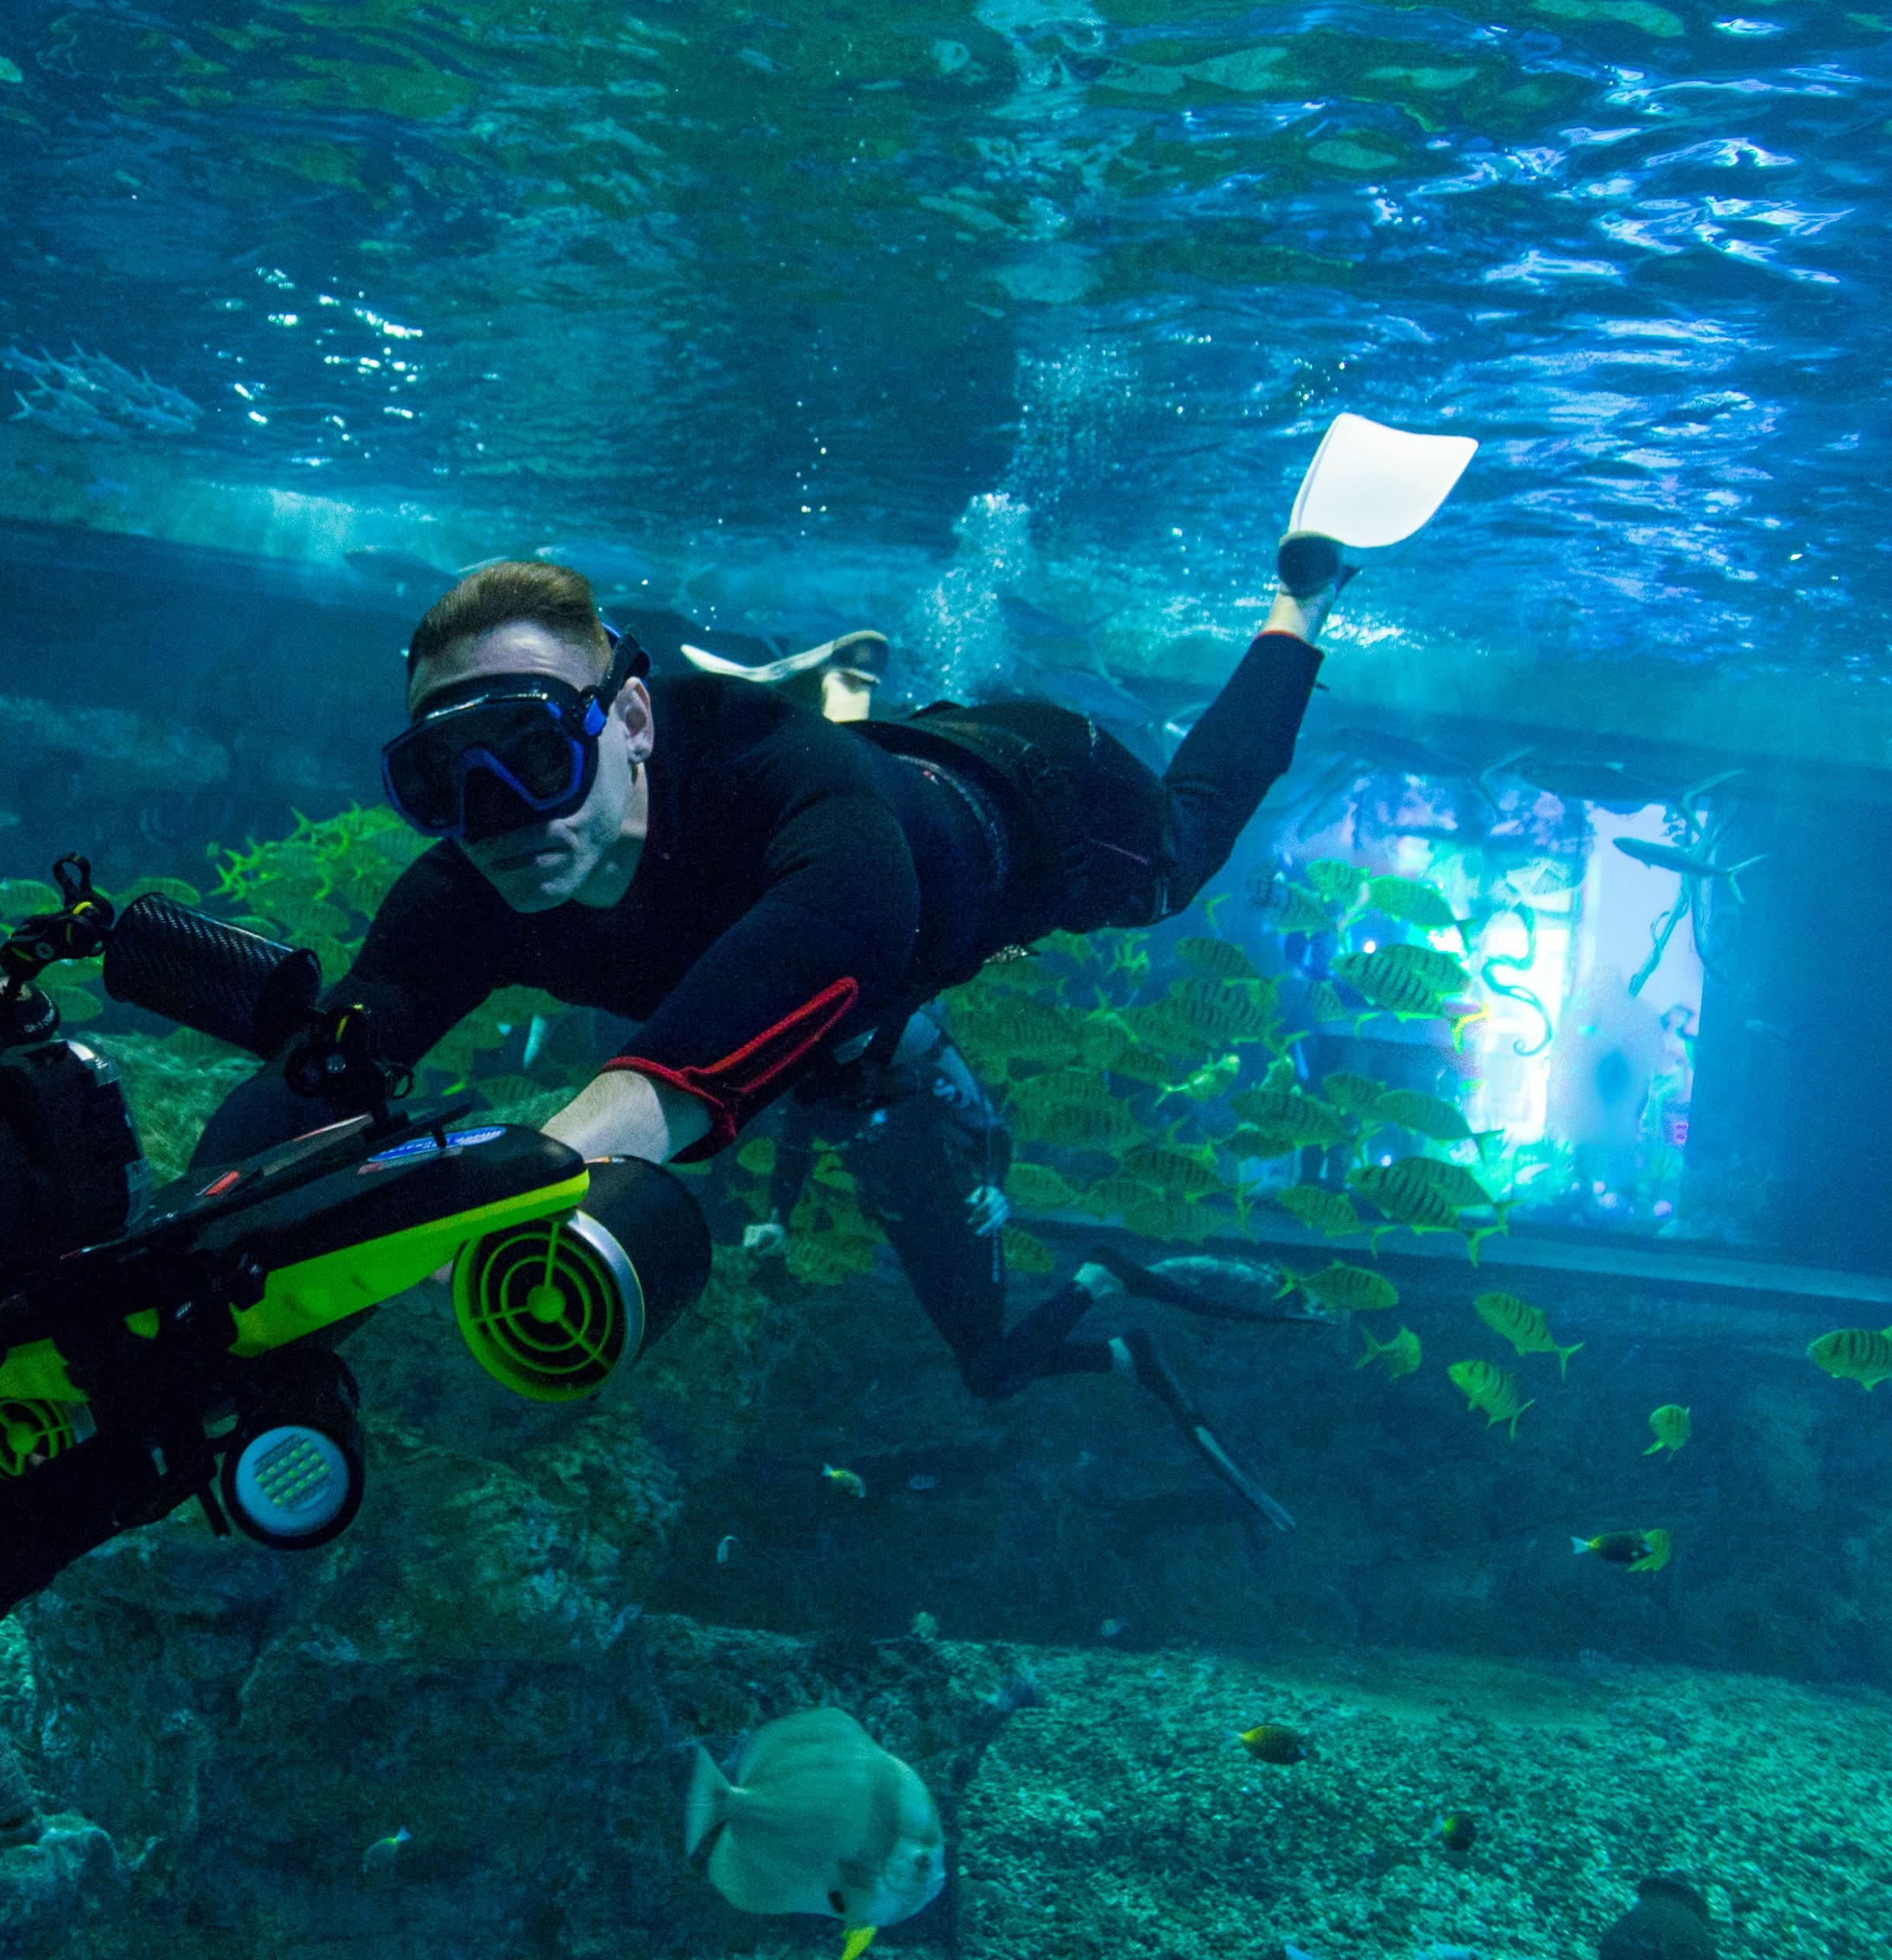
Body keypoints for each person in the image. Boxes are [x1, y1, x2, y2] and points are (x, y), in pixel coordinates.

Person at [187, 536, 1365, 1529]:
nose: (494, 813)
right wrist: (188, 1259)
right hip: (829, 850)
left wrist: (532, 1170)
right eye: (442, 780)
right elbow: (324, 1071)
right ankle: (836, 684)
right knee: (842, 1025)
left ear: (628, 716)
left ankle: (1300, 602)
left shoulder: (779, 781)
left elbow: (847, 918)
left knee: (1179, 860)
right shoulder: (472, 886)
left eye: (534, 753)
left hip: (1036, 799)